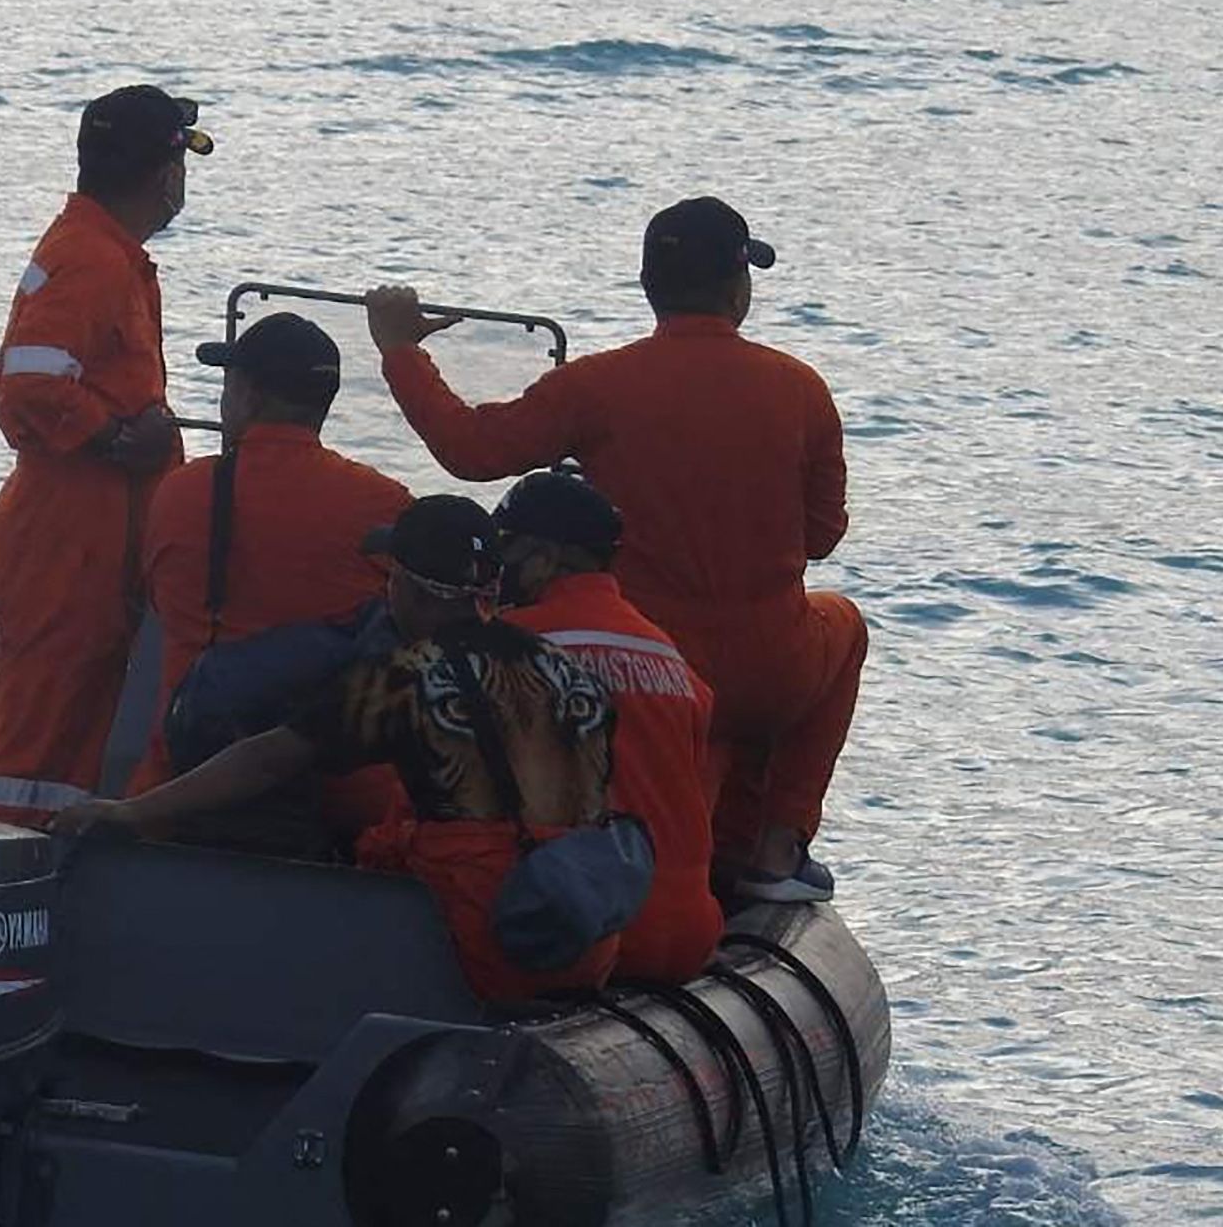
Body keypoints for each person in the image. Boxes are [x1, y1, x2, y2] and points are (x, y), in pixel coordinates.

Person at [364, 195, 859, 901]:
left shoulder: (596, 385)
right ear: (737, 289)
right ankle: (777, 848)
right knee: (843, 624)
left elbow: (472, 451)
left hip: (644, 670)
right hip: (770, 671)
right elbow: (822, 537)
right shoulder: (802, 389)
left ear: (649, 284)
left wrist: (402, 352)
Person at [59, 495, 623, 1004]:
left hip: (486, 949)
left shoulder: (410, 678)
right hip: (585, 941)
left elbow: (268, 759)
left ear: (409, 588)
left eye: (391, 576)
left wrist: (131, 811)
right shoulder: (564, 669)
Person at [0, 85, 211, 825]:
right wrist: (114, 438)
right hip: (65, 541)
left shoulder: (104, 254)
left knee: (77, 738)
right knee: (39, 747)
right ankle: (12, 861)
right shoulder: (93, 261)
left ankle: (52, 854)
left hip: (90, 541)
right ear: (163, 172)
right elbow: (27, 385)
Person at [132, 312, 412, 793]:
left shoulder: (180, 492)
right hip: (339, 791)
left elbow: (156, 599)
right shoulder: (383, 503)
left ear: (249, 396)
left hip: (180, 782)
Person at [491, 467, 724, 982]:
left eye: (506, 548)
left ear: (545, 557)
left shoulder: (504, 646)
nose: (496, 567)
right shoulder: (667, 655)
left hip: (590, 929)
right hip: (690, 932)